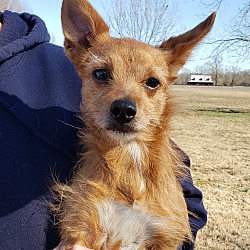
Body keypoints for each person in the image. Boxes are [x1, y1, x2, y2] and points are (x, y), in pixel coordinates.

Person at [0, 10, 207, 250]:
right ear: (77, 48)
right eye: (102, 75)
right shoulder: (90, 186)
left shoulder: (51, 65)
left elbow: (190, 212)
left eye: (151, 83)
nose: (124, 104)